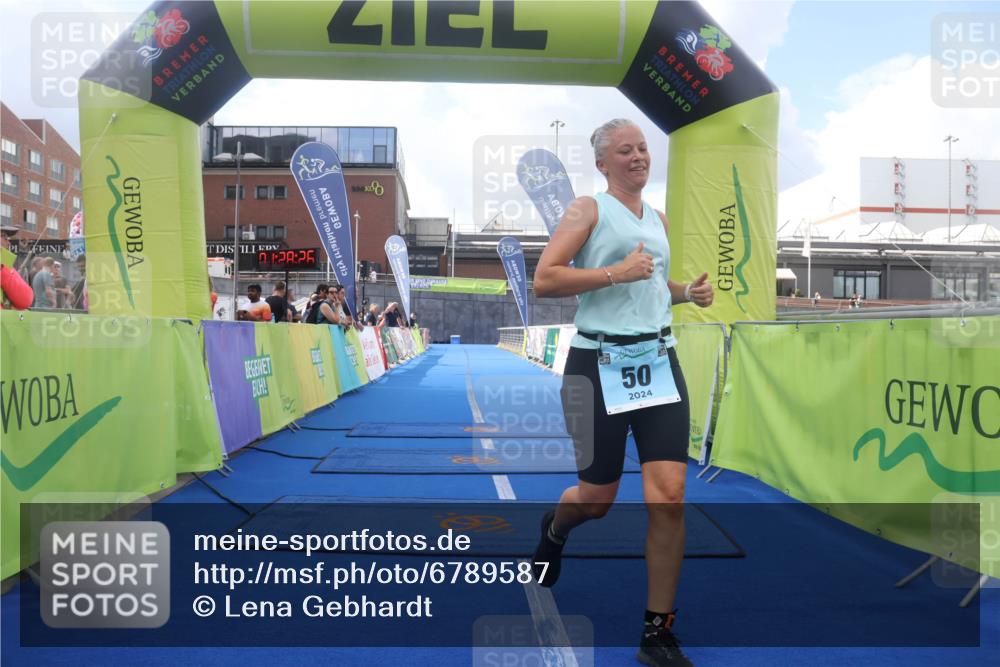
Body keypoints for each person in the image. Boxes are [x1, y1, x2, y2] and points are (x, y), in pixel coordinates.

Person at [531, 119, 714, 667]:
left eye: (642, 148)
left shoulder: (656, 218)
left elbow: (651, 285)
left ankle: (657, 633)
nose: (638, 156)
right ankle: (555, 528)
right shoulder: (586, 210)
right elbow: (545, 278)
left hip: (657, 360)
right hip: (597, 364)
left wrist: (687, 293)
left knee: (670, 495)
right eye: (625, 150)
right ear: (603, 163)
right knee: (597, 500)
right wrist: (617, 272)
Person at [1, 227, 33, 310]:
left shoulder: (6, 264)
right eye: (4, 238)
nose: (9, 243)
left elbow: (26, 298)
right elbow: (25, 299)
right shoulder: (4, 266)